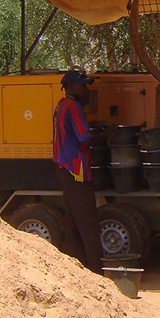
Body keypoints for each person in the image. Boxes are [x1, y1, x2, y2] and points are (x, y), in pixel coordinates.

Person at [53, 70, 116, 273]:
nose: (87, 90)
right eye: (83, 86)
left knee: (72, 221)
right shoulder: (73, 107)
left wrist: (93, 126)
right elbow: (85, 138)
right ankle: (97, 271)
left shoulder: (63, 105)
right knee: (88, 222)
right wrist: (109, 133)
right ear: (71, 87)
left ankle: (75, 268)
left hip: (64, 168)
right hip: (76, 170)